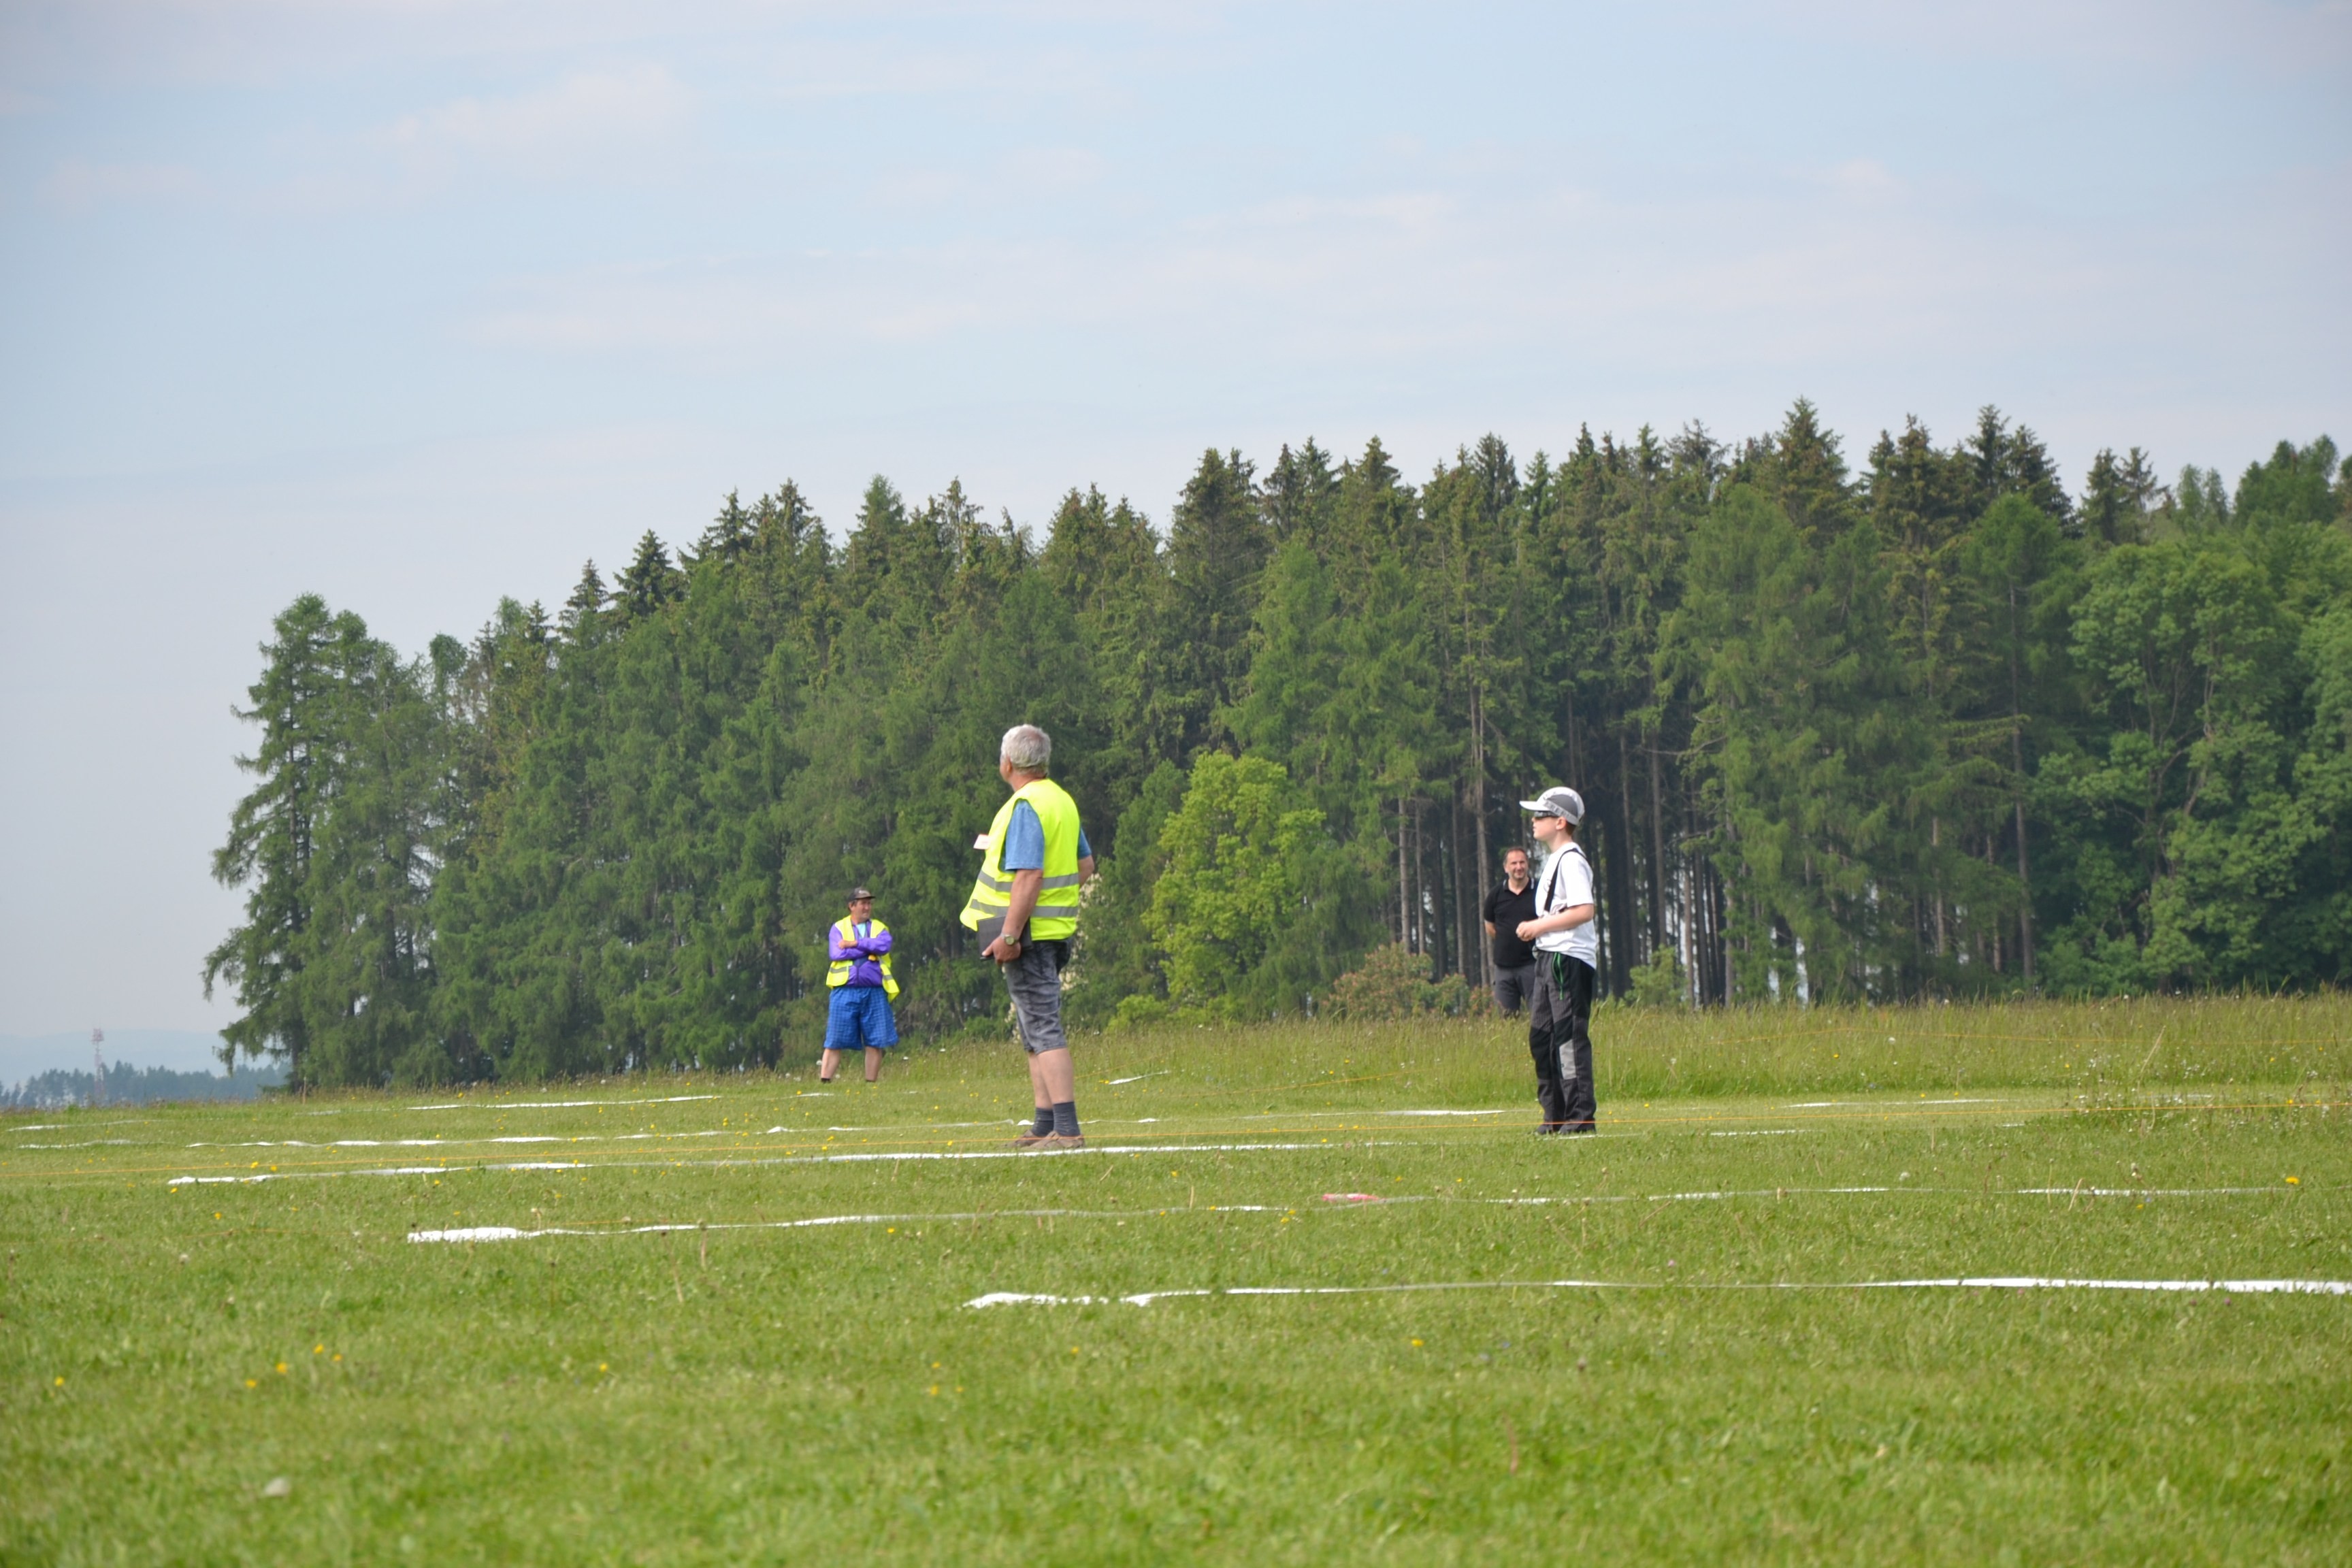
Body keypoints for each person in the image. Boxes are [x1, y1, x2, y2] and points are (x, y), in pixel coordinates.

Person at [961, 724, 1096, 1150]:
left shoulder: (1025, 806)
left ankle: (1067, 1130)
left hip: (1028, 935)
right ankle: (1044, 1124)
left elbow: (1028, 876)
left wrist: (1010, 933)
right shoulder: (1061, 800)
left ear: (1008, 763)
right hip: (1052, 932)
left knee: (1043, 1028)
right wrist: (1049, 903)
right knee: (1033, 1030)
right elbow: (1086, 866)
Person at [1515, 787, 1599, 1134]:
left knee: (1568, 1038)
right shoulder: (1555, 860)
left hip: (1568, 958)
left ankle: (1580, 1118)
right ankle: (1555, 1116)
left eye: (1541, 815)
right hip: (1548, 958)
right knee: (1542, 1037)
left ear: (1560, 822)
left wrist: (1538, 926)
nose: (1534, 821)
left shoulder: (1572, 860)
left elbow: (1584, 910)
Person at [821, 887, 899, 1083]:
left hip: (875, 991)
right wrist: (867, 948)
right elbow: (836, 954)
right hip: (844, 991)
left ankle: (870, 1084)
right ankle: (825, 1081)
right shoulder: (838, 927)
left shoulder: (880, 927)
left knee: (875, 1041)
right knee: (835, 1040)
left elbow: (884, 946)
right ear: (851, 906)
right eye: (863, 903)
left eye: (869, 903)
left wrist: (853, 944)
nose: (867, 907)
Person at [1482, 846, 1539, 1013]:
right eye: (1514, 863)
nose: (1518, 867)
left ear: (1527, 865)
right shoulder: (1495, 895)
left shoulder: (1540, 891)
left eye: (1522, 862)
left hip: (1533, 965)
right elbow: (1490, 927)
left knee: (1540, 1015)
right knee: (1506, 1020)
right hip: (1503, 969)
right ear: (1506, 868)